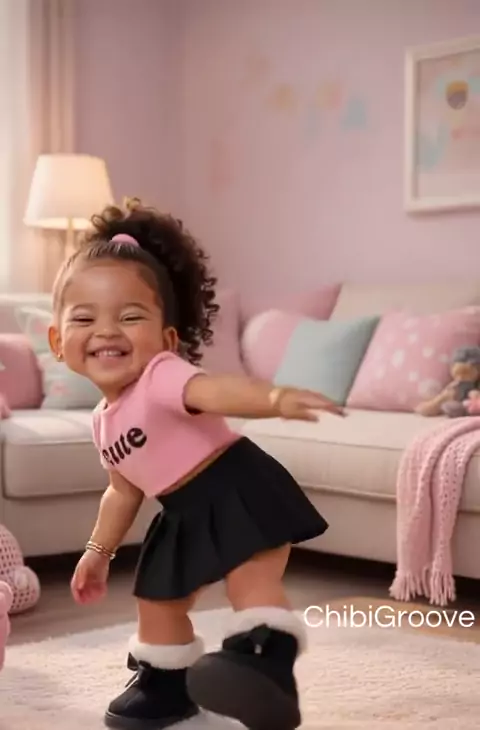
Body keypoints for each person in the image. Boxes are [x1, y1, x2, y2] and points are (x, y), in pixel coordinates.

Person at [48, 198, 343, 730]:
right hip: (180, 511)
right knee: (158, 601)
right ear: (57, 341)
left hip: (237, 487)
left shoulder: (161, 375)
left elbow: (214, 390)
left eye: (130, 317)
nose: (107, 330)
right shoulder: (102, 421)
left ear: (166, 339)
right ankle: (166, 687)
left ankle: (263, 663)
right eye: (85, 318)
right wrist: (97, 551)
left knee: (251, 581)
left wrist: (274, 398)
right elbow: (122, 491)